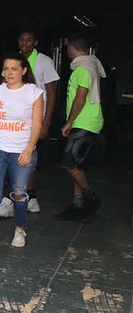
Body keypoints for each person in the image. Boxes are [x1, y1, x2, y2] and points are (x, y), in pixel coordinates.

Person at [0, 53, 44, 256]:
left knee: (20, 194)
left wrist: (29, 148)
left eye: (14, 68)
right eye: (6, 69)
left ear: (23, 70)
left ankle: (20, 229)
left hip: (21, 151)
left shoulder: (33, 93)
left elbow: (37, 124)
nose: (9, 73)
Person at [0, 30, 59, 217]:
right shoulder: (14, 61)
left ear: (35, 42)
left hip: (34, 119)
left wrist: (46, 123)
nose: (24, 43)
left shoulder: (45, 61)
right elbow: (2, 89)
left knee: (26, 159)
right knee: (14, 158)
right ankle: (26, 198)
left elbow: (51, 93)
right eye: (21, 39)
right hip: (14, 120)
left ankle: (15, 198)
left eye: (29, 40)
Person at [54, 36, 105, 220]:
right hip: (87, 121)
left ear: (70, 49)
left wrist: (69, 122)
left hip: (84, 122)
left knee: (68, 161)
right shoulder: (89, 65)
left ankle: (90, 197)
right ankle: (77, 204)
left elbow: (80, 97)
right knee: (77, 164)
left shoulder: (83, 68)